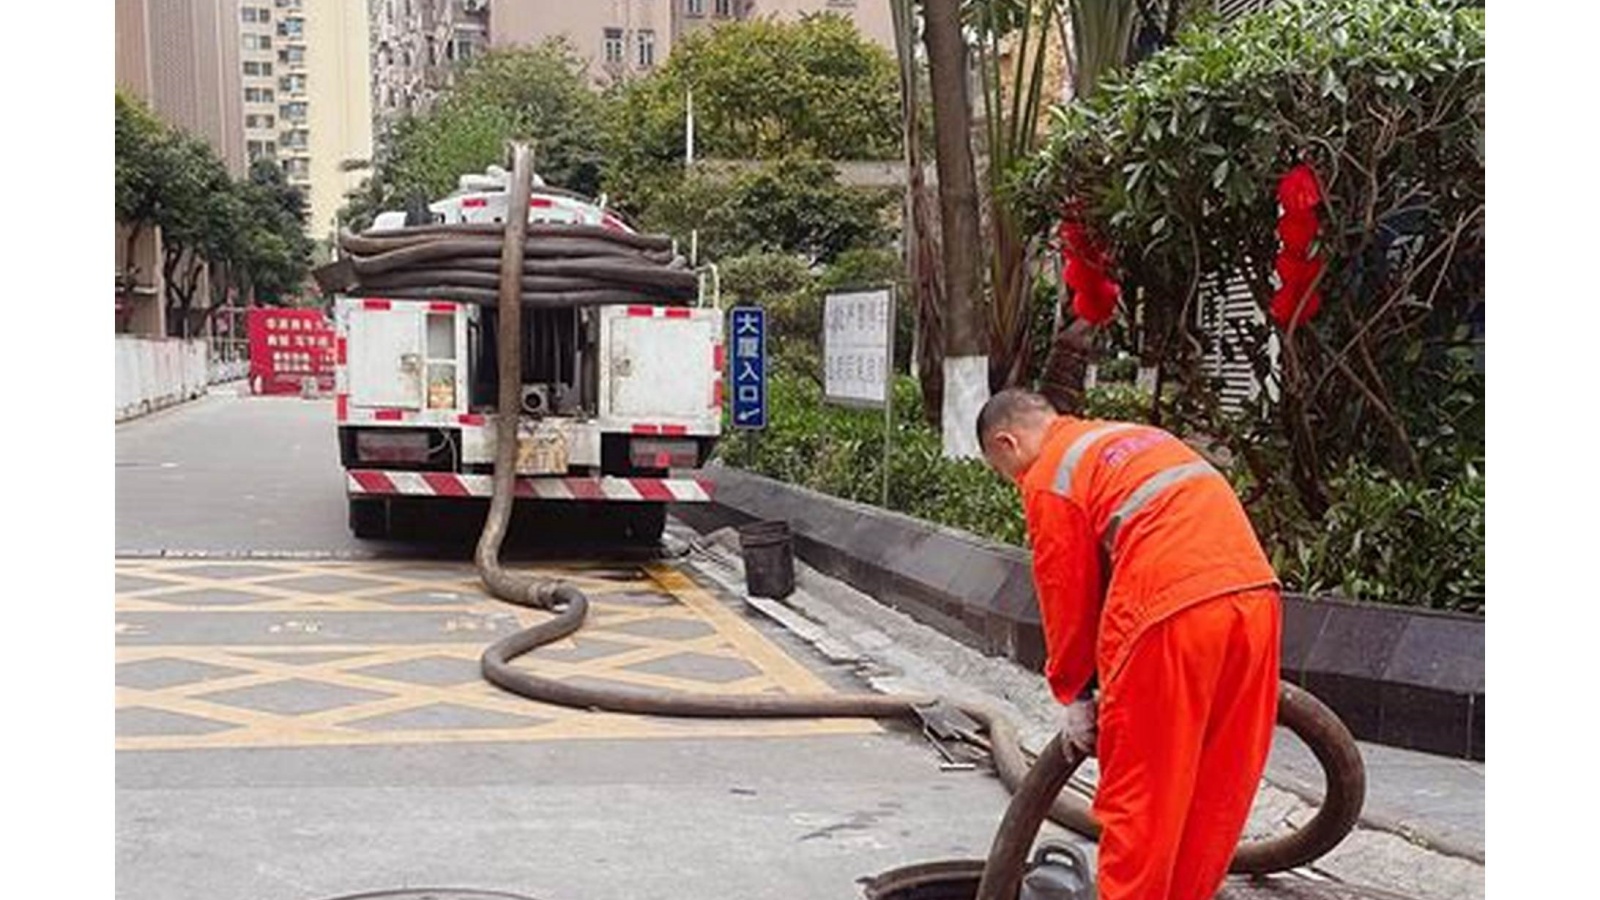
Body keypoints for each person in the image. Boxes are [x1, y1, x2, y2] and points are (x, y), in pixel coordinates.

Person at [975, 388, 1282, 900]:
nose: (1016, 484)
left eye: (1005, 474)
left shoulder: (1053, 472)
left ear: (1007, 442)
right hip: (1255, 603)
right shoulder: (1128, 440)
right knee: (1214, 798)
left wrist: (1074, 693)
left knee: (1144, 807)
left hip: (1169, 615)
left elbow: (1065, 588)